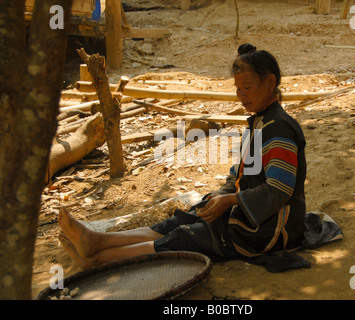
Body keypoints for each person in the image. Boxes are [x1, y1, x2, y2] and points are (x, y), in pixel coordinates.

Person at [58, 44, 308, 270]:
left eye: (247, 87)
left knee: (185, 237)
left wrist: (231, 200)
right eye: (237, 88)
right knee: (185, 218)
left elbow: (278, 189)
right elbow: (242, 173)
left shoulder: (279, 129)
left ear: (270, 82)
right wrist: (222, 194)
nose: (240, 94)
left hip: (271, 229)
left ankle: (96, 260)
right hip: (251, 215)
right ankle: (98, 241)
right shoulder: (259, 122)